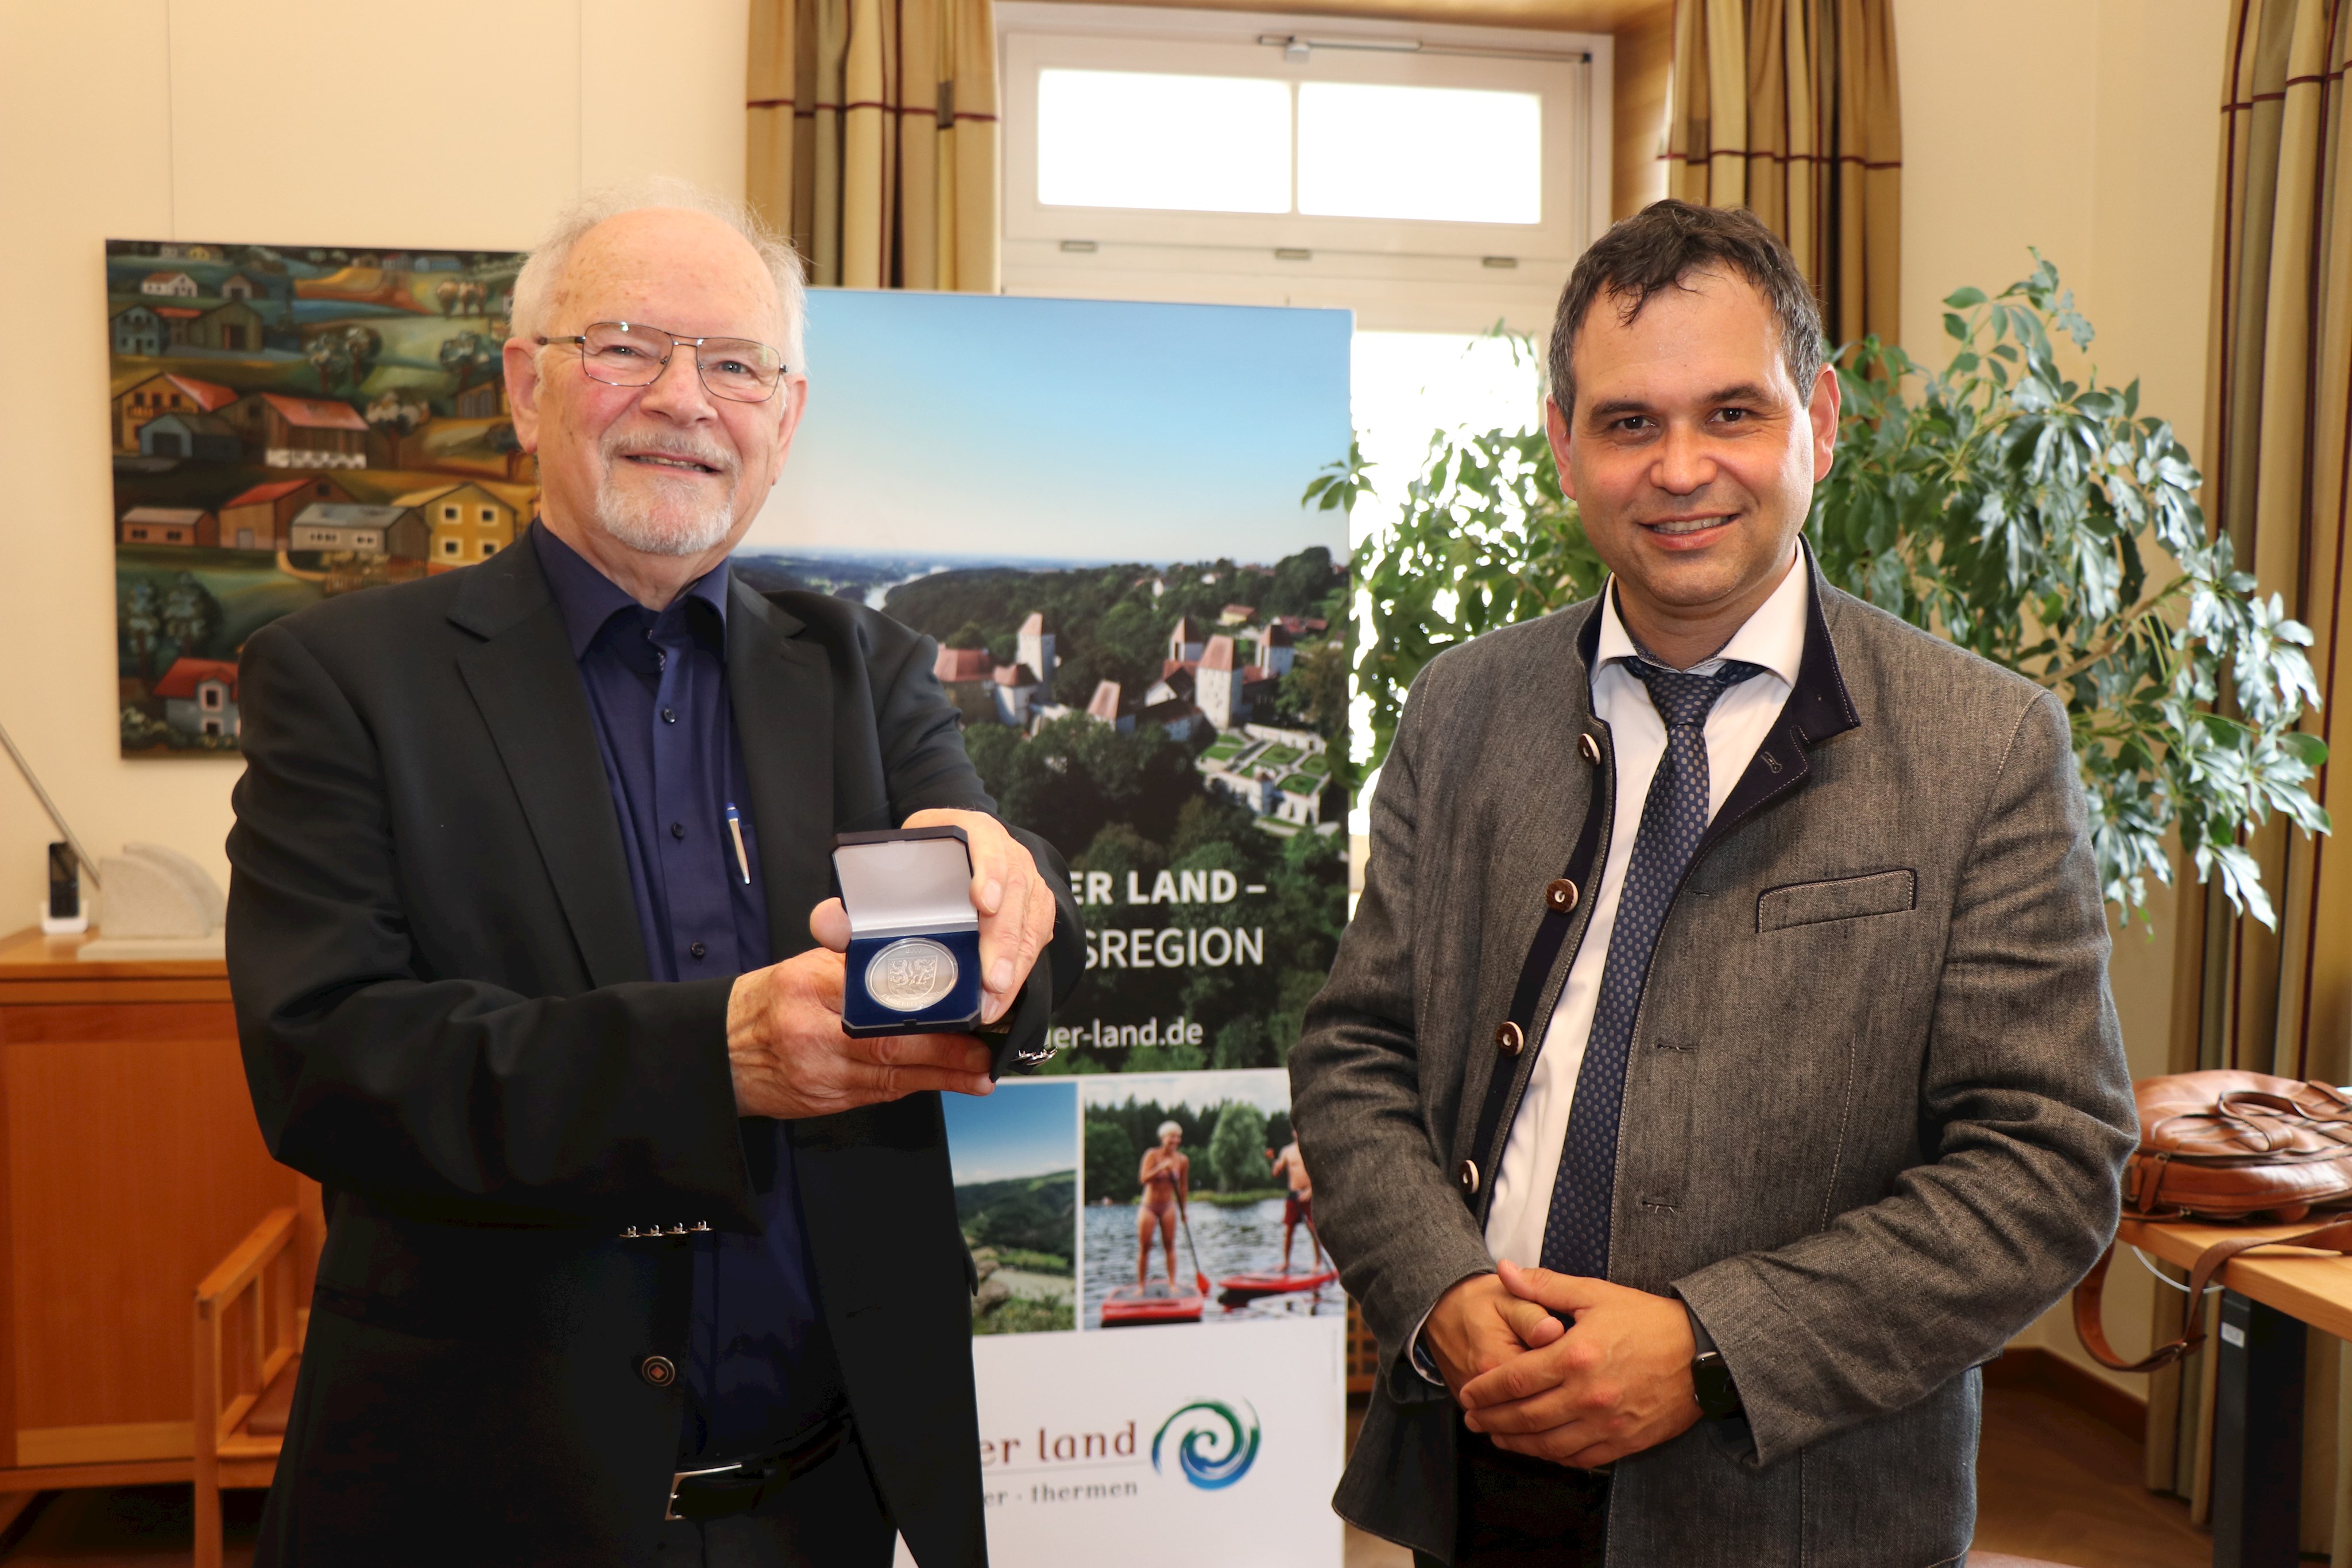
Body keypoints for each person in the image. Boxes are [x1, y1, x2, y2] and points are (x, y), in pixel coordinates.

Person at [225, 178, 1081, 1568]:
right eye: (626, 344)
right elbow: (328, 1059)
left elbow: (1005, 949)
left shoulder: (862, 668)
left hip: (824, 1506)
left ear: (784, 420)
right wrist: (716, 1058)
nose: (686, 399)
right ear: (525, 386)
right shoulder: (346, 680)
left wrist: (1010, 894)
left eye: (736, 364)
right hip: (485, 1510)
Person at [1288, 200, 2136, 1568]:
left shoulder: (1986, 746)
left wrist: (1707, 1345)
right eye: (1628, 423)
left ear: (1820, 417)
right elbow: (1356, 1052)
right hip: (1477, 1454)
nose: (1681, 468)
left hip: (1794, 1500)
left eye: (1731, 413)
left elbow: (2044, 1161)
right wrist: (1435, 1285)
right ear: (1563, 442)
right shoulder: (1462, 709)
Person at [1135, 1121, 1190, 1288]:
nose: (1175, 1141)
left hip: (1168, 1206)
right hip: (1149, 1206)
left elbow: (1183, 1186)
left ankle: (1172, 1283)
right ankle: (1141, 1286)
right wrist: (1160, 1168)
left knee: (1170, 1244)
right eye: (1172, 1137)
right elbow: (1143, 1179)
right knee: (1145, 1247)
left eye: (1178, 1137)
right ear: (1163, 1138)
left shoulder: (1182, 1160)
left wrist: (1183, 1211)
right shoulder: (1152, 1155)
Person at [1268, 1137, 1321, 1274]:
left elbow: (1319, 1172)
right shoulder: (1287, 1151)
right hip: (1293, 1195)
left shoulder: (1311, 1148)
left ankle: (1318, 1262)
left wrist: (1311, 1190)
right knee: (1289, 1231)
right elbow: (1276, 1173)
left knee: (1313, 1228)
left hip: (1308, 1195)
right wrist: (1276, 1167)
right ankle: (1286, 1263)